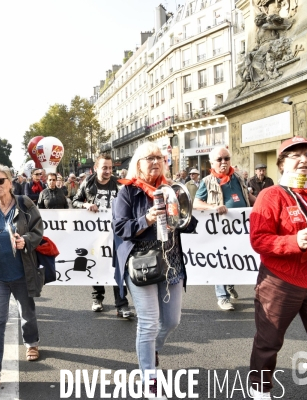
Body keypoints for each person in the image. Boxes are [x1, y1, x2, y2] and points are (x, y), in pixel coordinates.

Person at [113, 143, 197, 399]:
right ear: (138, 163)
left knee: (172, 320)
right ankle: (149, 374)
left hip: (170, 261)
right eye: (149, 158)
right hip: (142, 264)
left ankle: (152, 348)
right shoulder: (128, 191)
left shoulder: (171, 188)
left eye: (159, 157)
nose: (155, 162)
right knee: (148, 323)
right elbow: (120, 228)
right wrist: (146, 220)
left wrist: (180, 212)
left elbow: (189, 224)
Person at [247, 137, 307, 399]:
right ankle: (260, 389)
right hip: (280, 282)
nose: (304, 159)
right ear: (281, 164)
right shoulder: (271, 195)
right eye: (295, 155)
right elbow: (259, 240)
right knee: (269, 342)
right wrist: (294, 241)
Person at [0, 164, 44, 391]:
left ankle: (31, 342)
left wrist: (26, 240)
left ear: (10, 181)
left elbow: (38, 231)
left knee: (27, 311)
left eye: (0, 181)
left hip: (22, 272)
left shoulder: (25, 204)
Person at [193, 147, 256, 311]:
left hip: (240, 228)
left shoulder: (238, 178)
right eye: (219, 159)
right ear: (212, 163)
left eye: (226, 158)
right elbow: (196, 203)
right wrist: (214, 207)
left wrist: (264, 203)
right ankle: (222, 297)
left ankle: (229, 285)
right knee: (221, 261)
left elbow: (248, 197)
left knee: (235, 258)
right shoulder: (207, 181)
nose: (223, 162)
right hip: (220, 230)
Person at [73, 154, 133, 318]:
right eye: (104, 167)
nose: (108, 171)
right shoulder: (88, 183)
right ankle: (97, 298)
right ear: (96, 168)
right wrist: (86, 204)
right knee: (98, 265)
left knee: (118, 267)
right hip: (96, 234)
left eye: (110, 168)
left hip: (116, 233)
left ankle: (121, 304)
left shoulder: (118, 184)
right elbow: (75, 200)